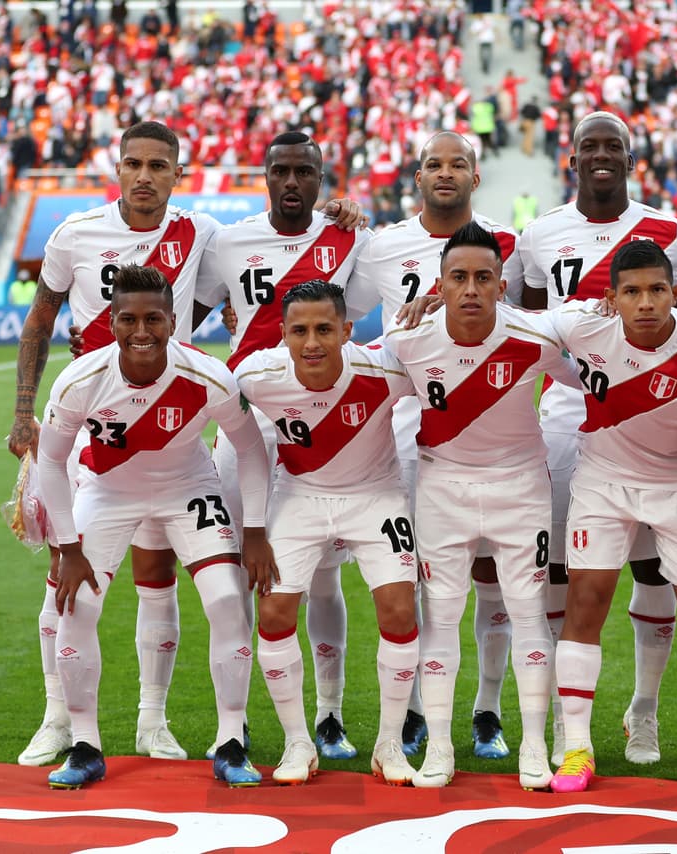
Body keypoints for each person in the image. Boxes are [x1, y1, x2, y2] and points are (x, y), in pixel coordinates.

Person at [9, 121, 221, 768]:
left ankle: (151, 723)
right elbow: (39, 324)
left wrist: (159, 348)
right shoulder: (75, 234)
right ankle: (55, 718)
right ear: (119, 168)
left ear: (177, 174)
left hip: (166, 431)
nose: (146, 176)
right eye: (135, 163)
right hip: (86, 427)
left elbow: (206, 304)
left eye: (160, 165)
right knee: (64, 578)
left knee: (158, 577)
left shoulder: (200, 234)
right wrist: (24, 411)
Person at [36, 265, 271, 789]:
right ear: (112, 321)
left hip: (188, 486)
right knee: (77, 604)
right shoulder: (80, 379)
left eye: (154, 319)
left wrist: (253, 531)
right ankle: (85, 745)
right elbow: (51, 462)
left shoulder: (209, 375)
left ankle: (231, 741)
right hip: (108, 489)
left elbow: (252, 449)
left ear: (173, 321)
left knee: (228, 600)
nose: (141, 331)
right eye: (128, 319)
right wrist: (68, 545)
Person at [519, 111, 677, 766]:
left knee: (653, 564)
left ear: (630, 156)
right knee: (563, 567)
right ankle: (571, 723)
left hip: (651, 412)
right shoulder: (540, 234)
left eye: (612, 146)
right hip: (568, 408)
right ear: (572, 158)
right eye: (588, 145)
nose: (600, 155)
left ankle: (643, 711)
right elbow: (534, 324)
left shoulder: (672, 232)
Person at [347, 131, 524, 761]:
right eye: (433, 163)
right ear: (417, 175)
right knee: (427, 573)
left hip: (495, 431)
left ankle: (487, 711)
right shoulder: (383, 246)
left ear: (476, 176)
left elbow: (525, 325)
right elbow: (345, 317)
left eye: (457, 164)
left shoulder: (510, 243)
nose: (444, 172)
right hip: (411, 429)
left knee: (495, 575)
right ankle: (422, 708)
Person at [383, 222, 579, 791]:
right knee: (440, 619)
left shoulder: (535, 338)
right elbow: (355, 376)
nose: (471, 289)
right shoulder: (406, 340)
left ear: (502, 285)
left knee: (528, 614)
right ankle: (440, 747)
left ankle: (537, 747)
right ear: (438, 285)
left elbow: (592, 378)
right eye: (459, 277)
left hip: (520, 489)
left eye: (483, 278)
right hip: (442, 488)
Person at [195, 131, 370, 763]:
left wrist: (354, 217)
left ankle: (328, 716)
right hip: (245, 416)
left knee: (321, 576)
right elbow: (184, 313)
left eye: (305, 172)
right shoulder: (229, 242)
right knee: (238, 572)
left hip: (320, 421)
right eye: (281, 171)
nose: (292, 182)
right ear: (265, 177)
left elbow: (375, 313)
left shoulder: (350, 238)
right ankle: (232, 726)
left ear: (321, 181)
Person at [542, 239, 677, 793]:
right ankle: (577, 747)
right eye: (632, 292)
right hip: (602, 481)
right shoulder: (583, 327)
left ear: (676, 292)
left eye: (657, 290)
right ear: (612, 298)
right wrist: (434, 305)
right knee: (585, 602)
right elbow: (511, 322)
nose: (646, 302)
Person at [235, 281, 419, 786]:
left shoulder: (385, 370)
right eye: (299, 331)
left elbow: (444, 367)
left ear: (346, 330)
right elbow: (214, 412)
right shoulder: (256, 376)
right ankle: (298, 743)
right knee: (273, 613)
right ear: (283, 335)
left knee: (401, 610)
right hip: (298, 496)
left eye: (323, 329)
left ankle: (389, 745)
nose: (311, 342)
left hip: (376, 494)